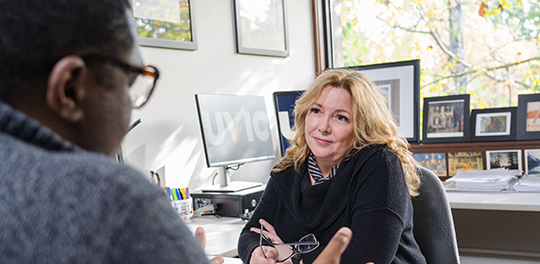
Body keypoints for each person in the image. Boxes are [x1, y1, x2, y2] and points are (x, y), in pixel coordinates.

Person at [0, 0, 353, 263]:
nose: (129, 110)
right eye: (129, 84)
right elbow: (251, 235)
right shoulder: (116, 203)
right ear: (70, 90)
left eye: (340, 117)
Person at [238, 69, 427, 264]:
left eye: (340, 117)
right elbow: (251, 233)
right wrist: (258, 254)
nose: (323, 127)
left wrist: (293, 254)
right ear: (304, 115)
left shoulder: (380, 165)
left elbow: (368, 257)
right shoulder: (289, 169)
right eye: (316, 111)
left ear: (362, 126)